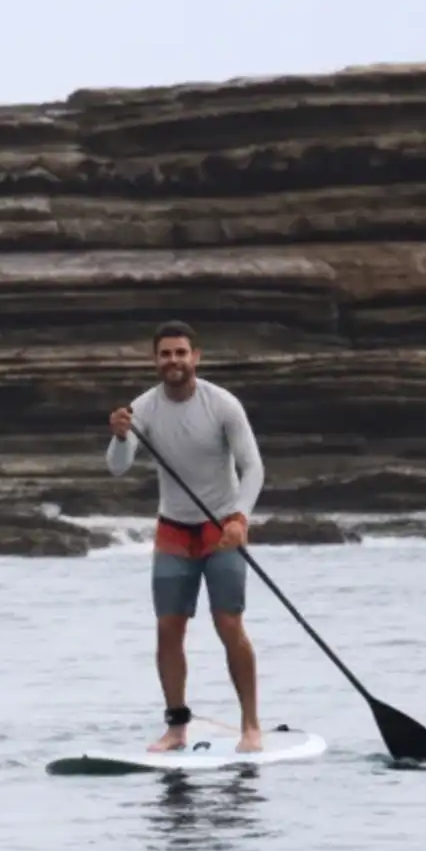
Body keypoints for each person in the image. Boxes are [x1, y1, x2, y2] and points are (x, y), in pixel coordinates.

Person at [106, 321, 266, 752]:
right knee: (168, 628)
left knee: (228, 623)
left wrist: (240, 518)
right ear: (155, 360)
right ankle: (177, 726)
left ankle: (251, 726)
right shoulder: (144, 408)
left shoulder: (223, 405)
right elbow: (118, 466)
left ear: (196, 357)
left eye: (181, 353)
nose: (173, 361)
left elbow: (253, 468)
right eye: (165, 354)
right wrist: (120, 436)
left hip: (222, 531)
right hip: (174, 531)